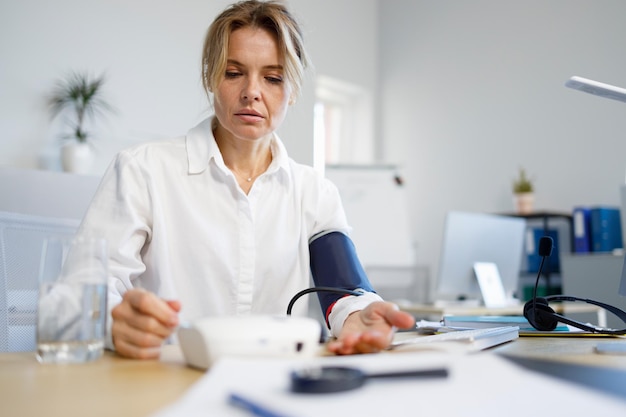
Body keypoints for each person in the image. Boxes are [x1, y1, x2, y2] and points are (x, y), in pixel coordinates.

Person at [74, 0, 415, 360]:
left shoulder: (315, 194)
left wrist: (358, 318)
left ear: (293, 90)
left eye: (273, 78)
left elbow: (344, 292)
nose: (252, 91)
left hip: (273, 387)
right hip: (165, 386)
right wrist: (112, 321)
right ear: (210, 76)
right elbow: (81, 290)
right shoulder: (141, 171)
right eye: (234, 72)